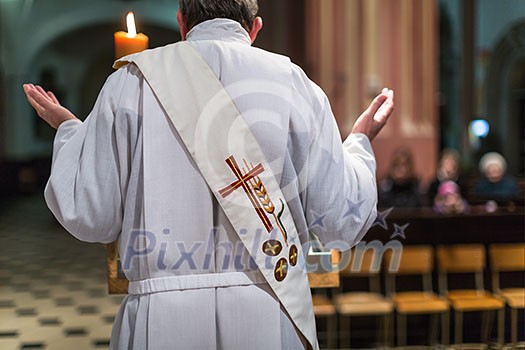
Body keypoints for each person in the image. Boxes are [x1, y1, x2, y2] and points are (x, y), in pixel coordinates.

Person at [23, 1, 394, 349]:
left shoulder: (130, 82)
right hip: (269, 311)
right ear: (255, 28)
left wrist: (72, 131)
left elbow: (90, 215)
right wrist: (359, 142)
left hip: (161, 321)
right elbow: (340, 221)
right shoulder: (293, 84)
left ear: (183, 22)